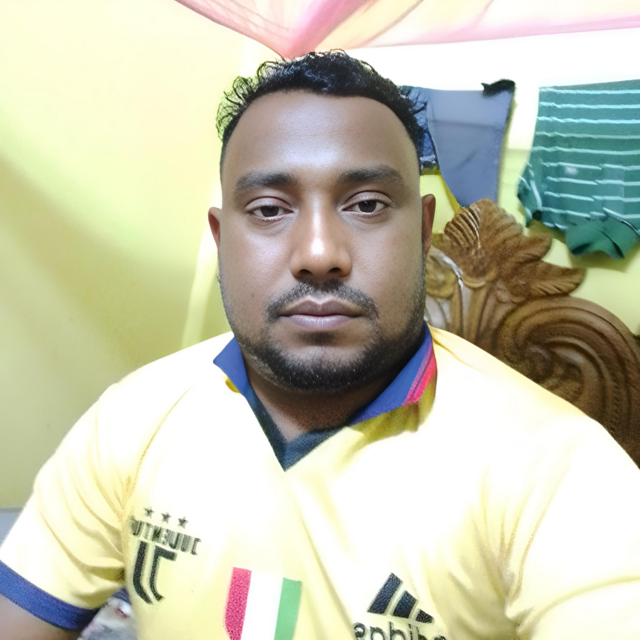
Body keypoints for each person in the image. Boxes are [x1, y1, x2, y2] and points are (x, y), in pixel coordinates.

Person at [1, 51, 639, 640]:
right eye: (269, 209)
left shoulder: (559, 473)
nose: (318, 254)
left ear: (422, 232)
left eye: (366, 204)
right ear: (222, 240)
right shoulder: (133, 419)